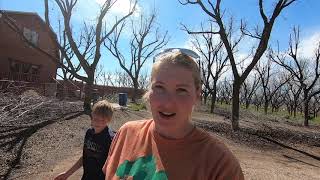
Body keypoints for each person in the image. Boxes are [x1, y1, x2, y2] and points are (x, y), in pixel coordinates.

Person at [103, 49, 244, 180]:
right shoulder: (126, 133)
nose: (168, 103)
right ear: (149, 92)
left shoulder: (220, 164)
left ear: (197, 94)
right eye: (159, 87)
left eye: (181, 90)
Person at [55, 100, 115, 180]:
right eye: (96, 119)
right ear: (92, 116)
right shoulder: (89, 133)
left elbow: (115, 165)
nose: (98, 123)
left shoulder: (111, 139)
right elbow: (86, 156)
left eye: (103, 120)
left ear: (109, 120)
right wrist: (67, 174)